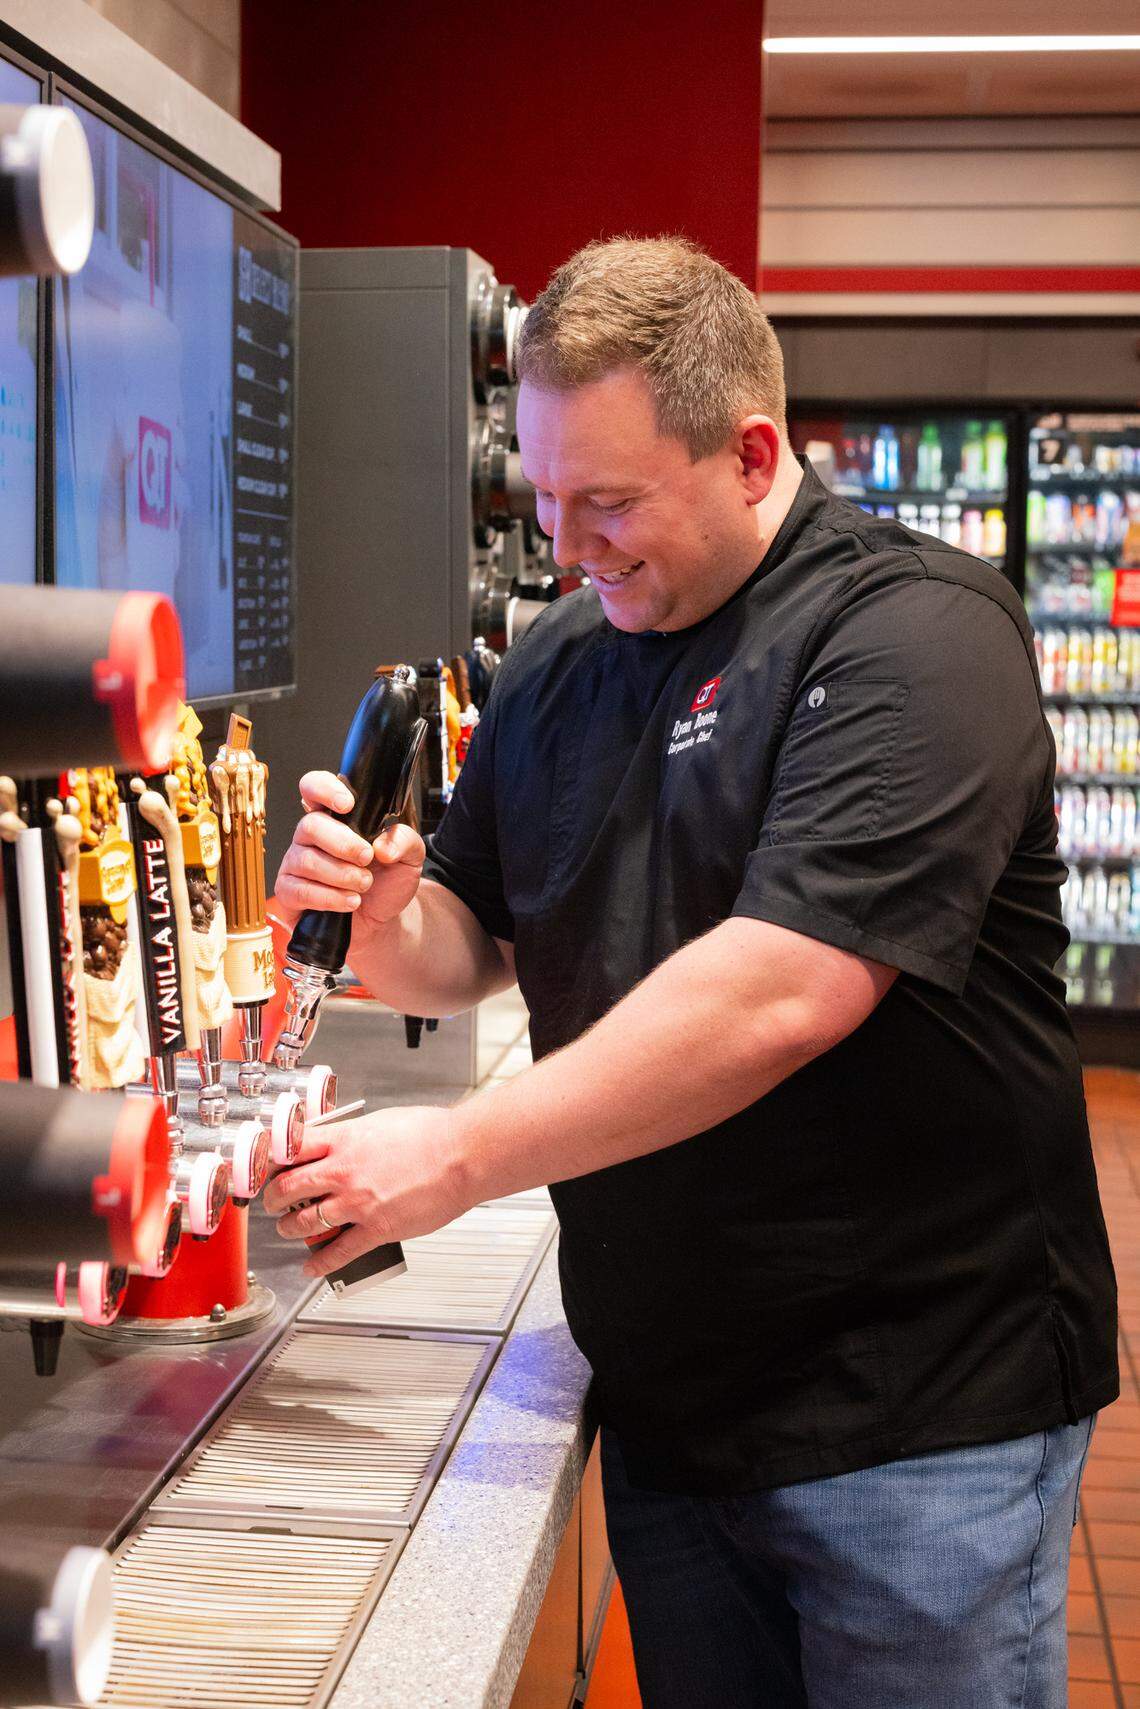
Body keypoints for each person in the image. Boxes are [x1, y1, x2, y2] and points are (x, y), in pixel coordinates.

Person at [265, 237, 1118, 1708]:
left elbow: (787, 986)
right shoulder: (558, 664)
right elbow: (474, 935)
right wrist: (381, 915)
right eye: (543, 499)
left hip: (916, 1419)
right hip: (671, 1408)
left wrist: (460, 1152)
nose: (572, 540)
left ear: (750, 452)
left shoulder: (915, 634)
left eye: (609, 501)